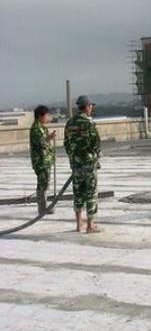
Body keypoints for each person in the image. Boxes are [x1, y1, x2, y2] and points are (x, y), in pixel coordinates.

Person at [64, 96, 101, 233]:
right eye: (91, 106)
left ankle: (79, 224)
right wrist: (96, 154)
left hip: (75, 164)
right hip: (89, 164)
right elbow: (96, 143)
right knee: (91, 193)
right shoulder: (89, 123)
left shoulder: (69, 123)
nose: (91, 108)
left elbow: (66, 144)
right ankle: (90, 225)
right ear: (86, 106)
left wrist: (74, 157)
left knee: (78, 193)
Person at [29, 105, 56, 214]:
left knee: (45, 184)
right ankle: (42, 207)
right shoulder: (36, 129)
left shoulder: (42, 127)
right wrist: (48, 138)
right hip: (40, 161)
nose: (47, 118)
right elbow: (40, 144)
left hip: (45, 160)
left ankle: (44, 206)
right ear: (40, 116)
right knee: (42, 184)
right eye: (46, 115)